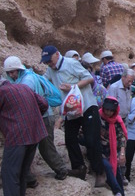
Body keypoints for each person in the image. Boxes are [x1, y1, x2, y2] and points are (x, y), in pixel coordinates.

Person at [3, 56, 72, 182]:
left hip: (43, 117)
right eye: (9, 72)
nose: (11, 75)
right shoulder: (22, 79)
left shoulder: (27, 80)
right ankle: (29, 176)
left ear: (18, 70)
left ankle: (61, 170)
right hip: (37, 117)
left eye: (13, 72)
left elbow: (22, 99)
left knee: (45, 147)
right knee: (31, 147)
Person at [41, 45, 103, 184]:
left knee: (92, 140)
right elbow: (43, 81)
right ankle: (79, 168)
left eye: (50, 60)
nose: (49, 64)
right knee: (70, 139)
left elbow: (89, 78)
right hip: (71, 110)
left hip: (87, 106)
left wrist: (73, 87)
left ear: (57, 54)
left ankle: (99, 172)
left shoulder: (71, 63)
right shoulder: (51, 70)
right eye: (46, 62)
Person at [98, 96, 127, 196]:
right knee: (108, 166)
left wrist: (122, 153)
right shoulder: (97, 117)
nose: (108, 112)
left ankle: (122, 194)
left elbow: (121, 137)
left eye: (111, 110)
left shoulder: (117, 121)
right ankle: (117, 191)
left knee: (117, 170)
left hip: (112, 151)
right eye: (107, 109)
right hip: (99, 151)